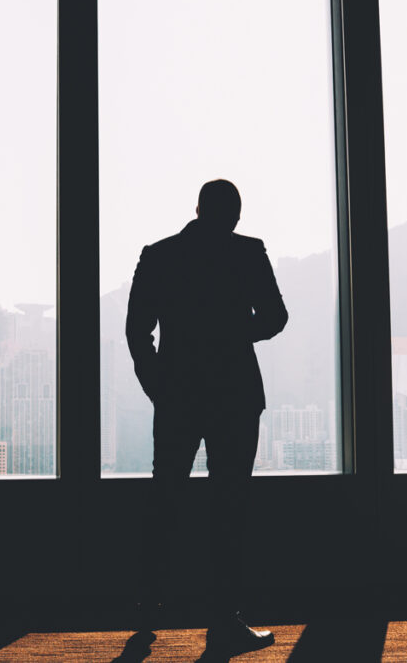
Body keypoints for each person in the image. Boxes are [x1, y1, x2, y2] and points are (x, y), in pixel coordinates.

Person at [125, 178, 288, 652]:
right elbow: (276, 317)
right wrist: (236, 334)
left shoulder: (158, 254)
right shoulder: (249, 252)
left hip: (178, 393)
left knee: (165, 497)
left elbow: (138, 331)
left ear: (196, 209)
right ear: (235, 215)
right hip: (235, 394)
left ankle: (148, 604)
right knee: (230, 505)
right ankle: (224, 620)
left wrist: (159, 387)